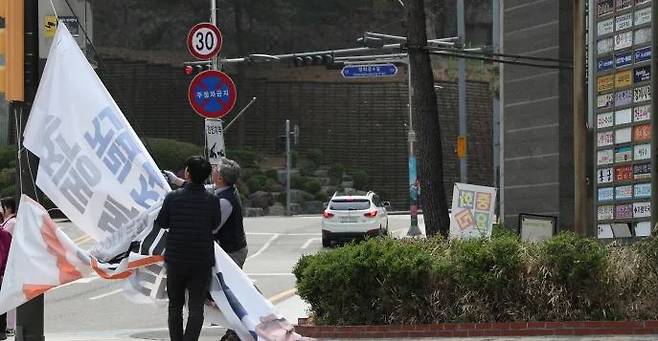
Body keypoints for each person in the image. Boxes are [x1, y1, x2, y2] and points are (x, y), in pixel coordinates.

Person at [155, 156, 221, 341]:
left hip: (176, 259)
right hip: (201, 260)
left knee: (175, 306)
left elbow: (162, 222)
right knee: (196, 307)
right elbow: (215, 225)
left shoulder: (173, 198)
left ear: (187, 173)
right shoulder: (212, 200)